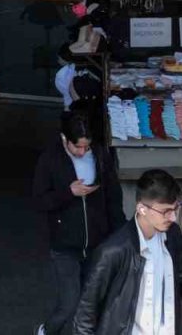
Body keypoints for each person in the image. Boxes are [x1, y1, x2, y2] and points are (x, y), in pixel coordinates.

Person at [73, 169, 182, 335]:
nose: (173, 217)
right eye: (165, 211)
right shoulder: (112, 251)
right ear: (142, 209)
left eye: (175, 208)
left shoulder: (173, 236)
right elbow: (85, 315)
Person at [32, 112, 125, 335]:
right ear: (65, 138)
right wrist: (68, 192)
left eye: (87, 146)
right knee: (70, 303)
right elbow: (39, 200)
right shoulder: (50, 159)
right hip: (65, 246)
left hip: (97, 242)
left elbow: (113, 196)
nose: (83, 152)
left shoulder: (100, 155)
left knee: (93, 302)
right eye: (77, 147)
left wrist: (120, 233)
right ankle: (47, 330)